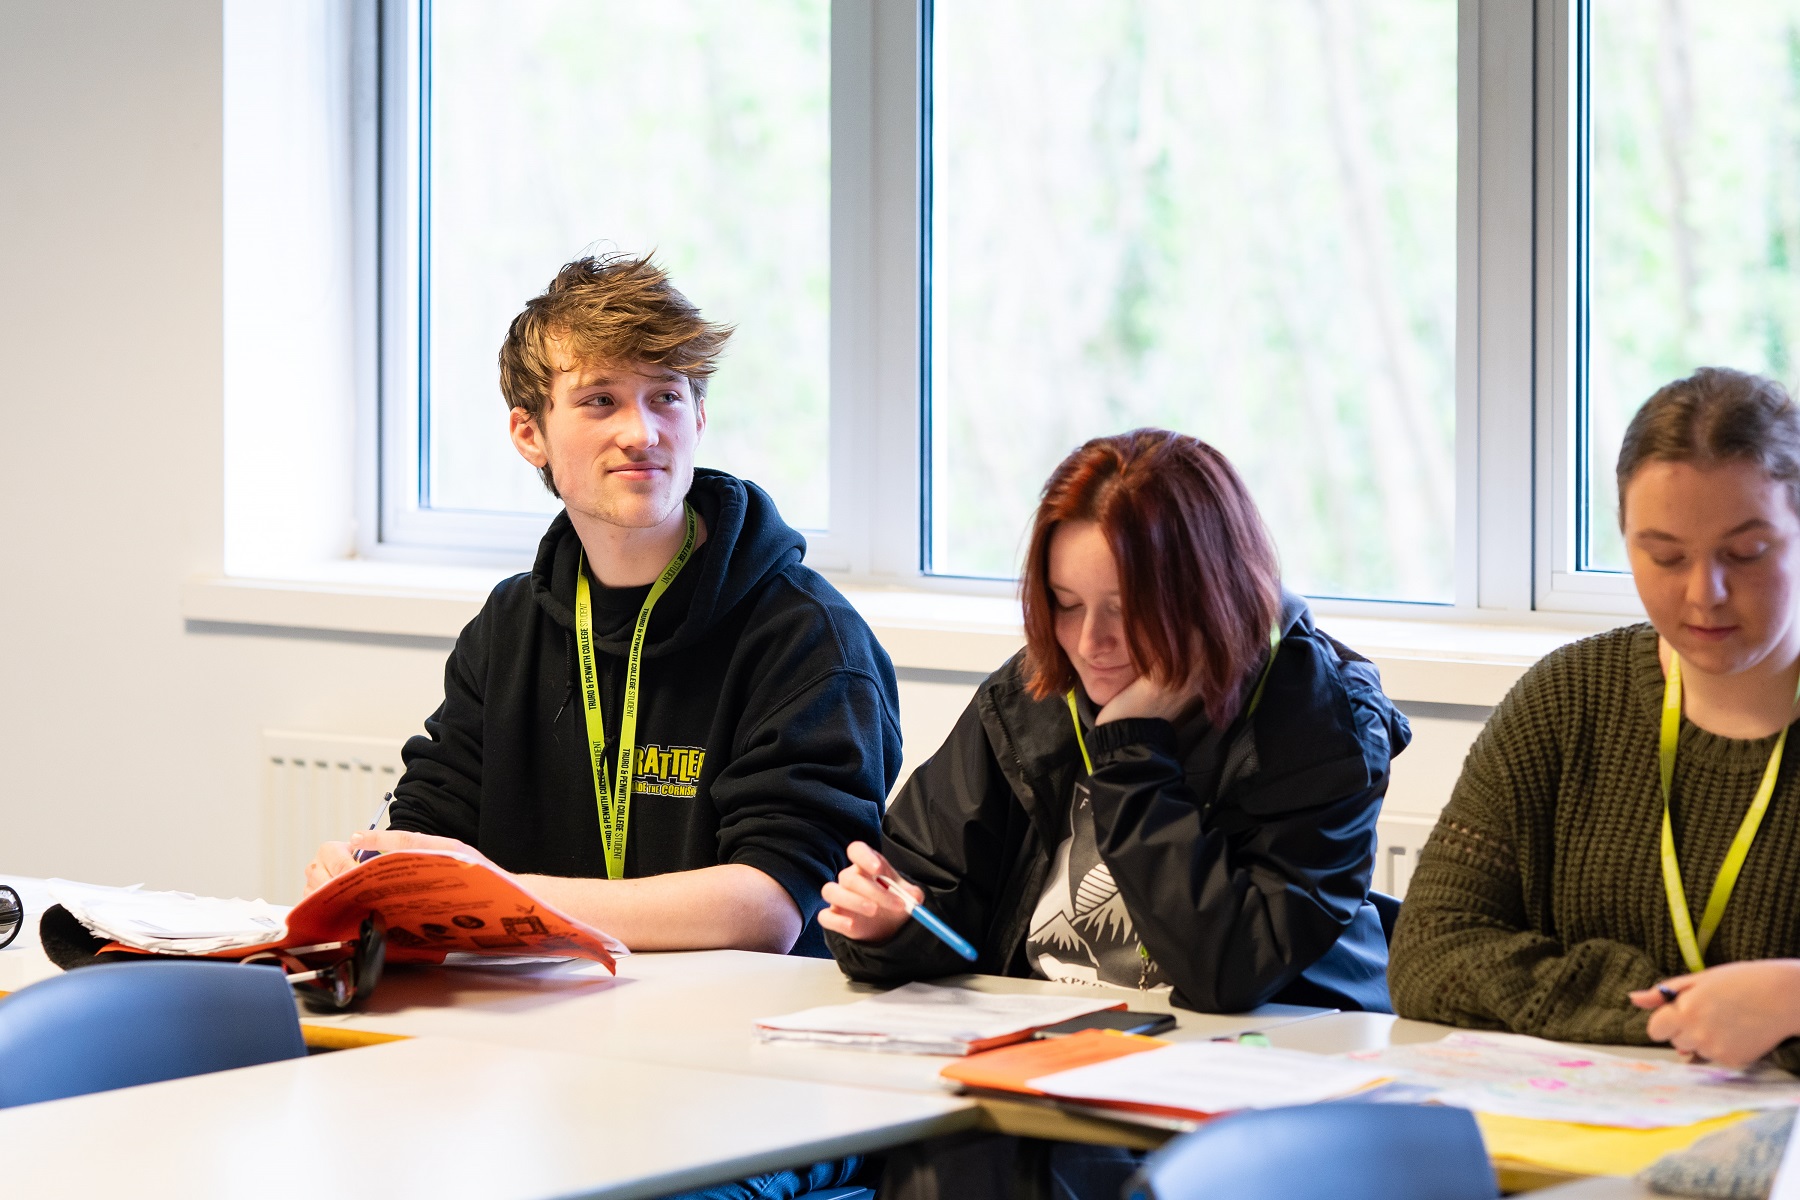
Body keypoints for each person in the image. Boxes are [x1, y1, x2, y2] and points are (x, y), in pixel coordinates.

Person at [304, 253, 901, 962]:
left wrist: (502, 891)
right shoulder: (507, 628)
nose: (642, 433)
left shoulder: (807, 636)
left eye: (666, 398)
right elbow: (432, 829)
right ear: (530, 434)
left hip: (736, 1038)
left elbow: (768, 906)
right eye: (599, 400)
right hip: (546, 1022)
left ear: (699, 416)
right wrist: (377, 872)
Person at [824, 428, 1408, 1015]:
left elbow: (1230, 972)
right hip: (1051, 1047)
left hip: (1268, 1063)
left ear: (1210, 596)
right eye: (1065, 603)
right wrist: (892, 927)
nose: (1088, 643)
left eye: (1126, 611)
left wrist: (1131, 747)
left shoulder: (1322, 723)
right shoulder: (1032, 692)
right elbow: (934, 895)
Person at [1390, 367, 1800, 1070]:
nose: (1705, 593)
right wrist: (1672, 1011)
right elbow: (1430, 953)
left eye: (1746, 553)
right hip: (1584, 1144)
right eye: (1664, 555)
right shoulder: (1570, 698)